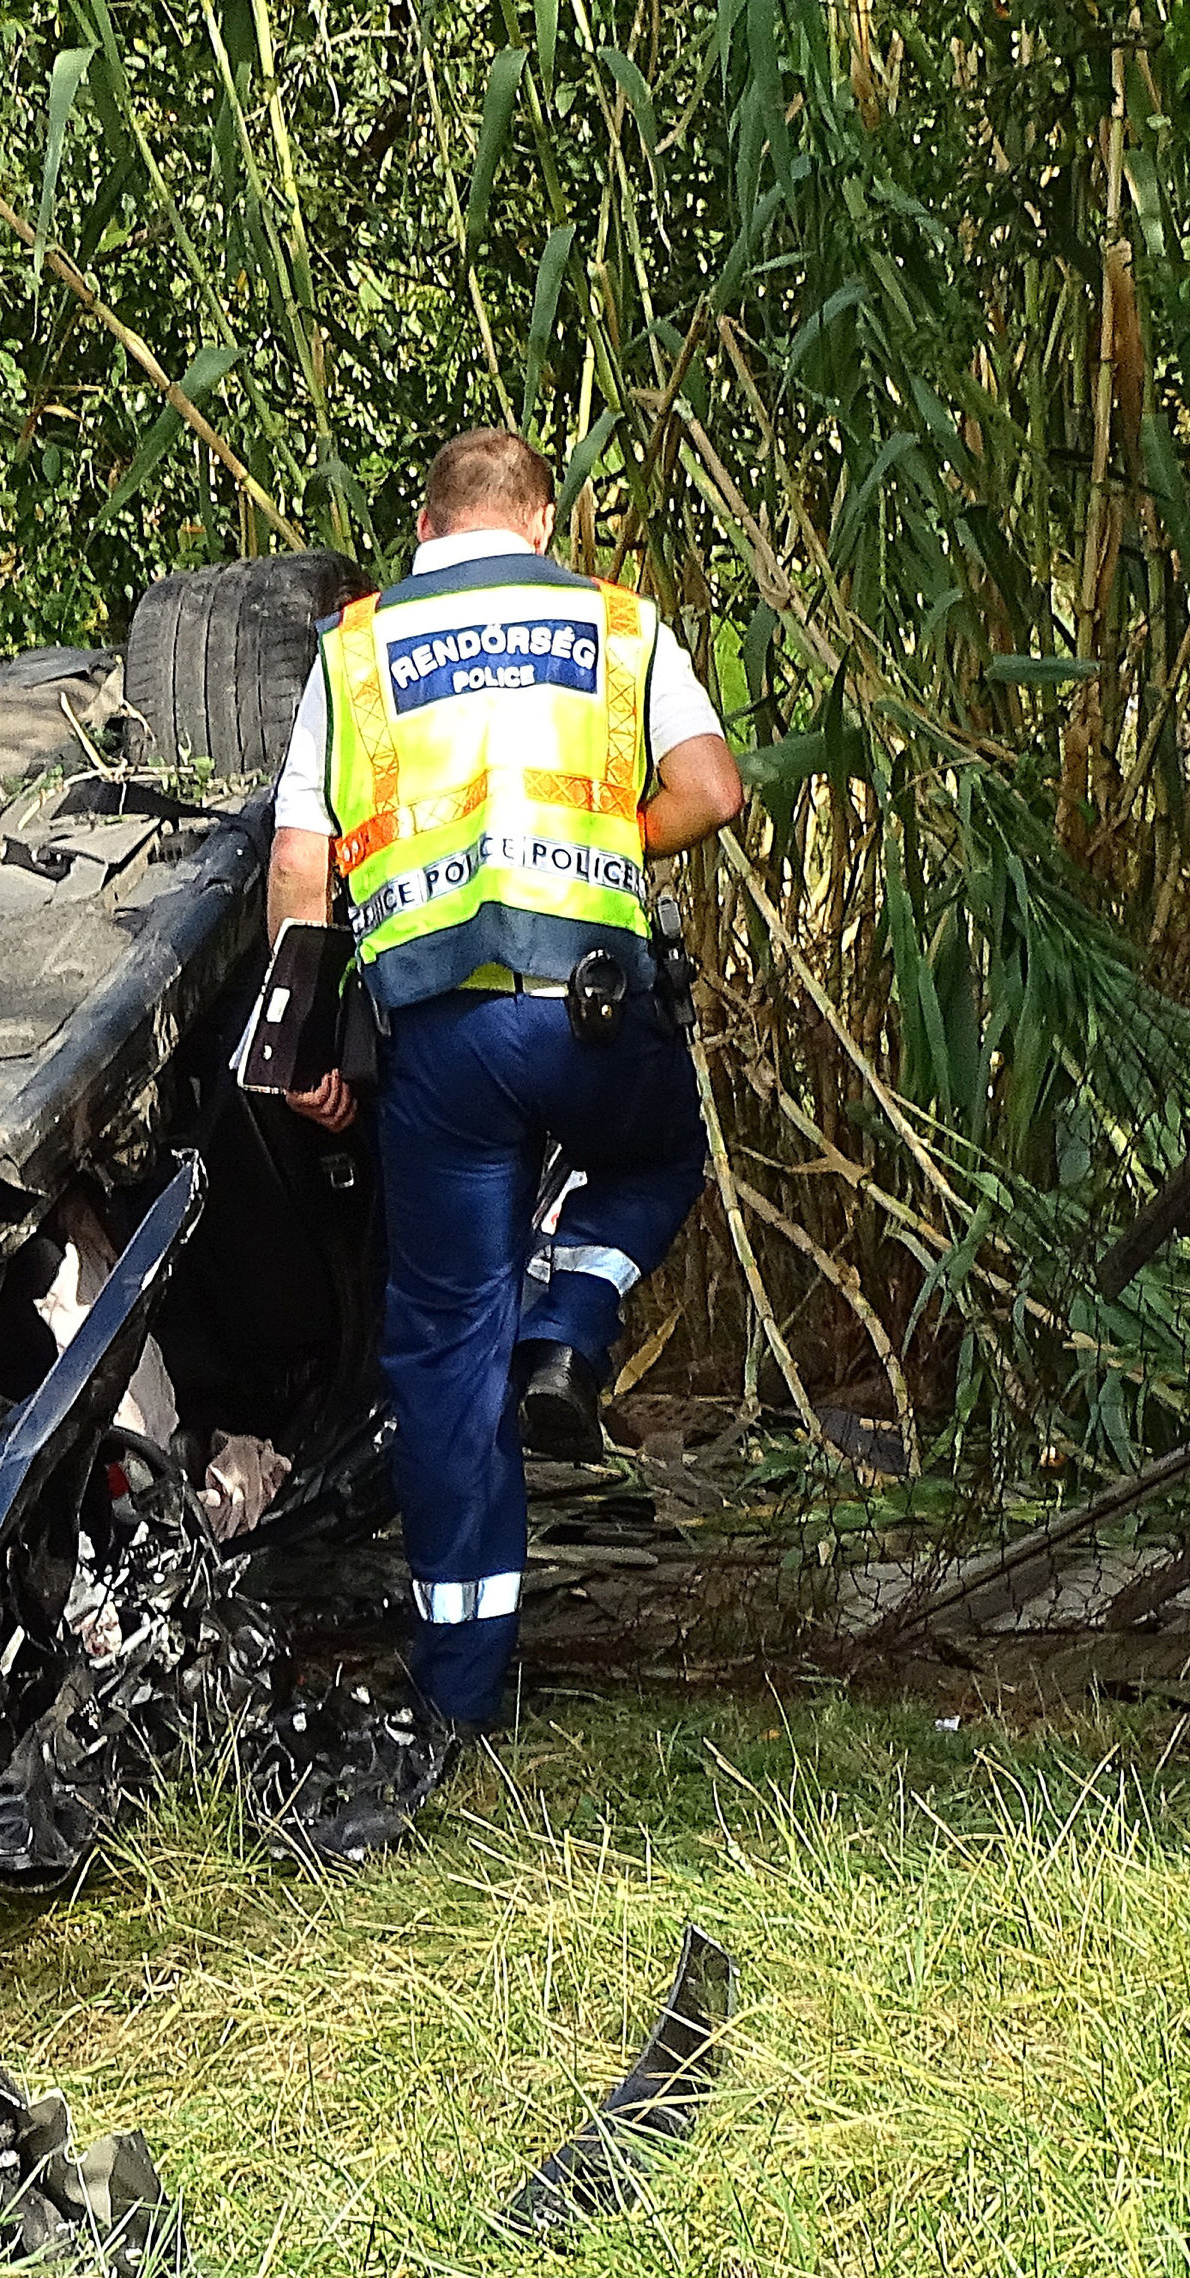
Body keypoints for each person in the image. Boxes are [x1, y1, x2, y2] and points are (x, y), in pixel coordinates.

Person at [267, 427, 743, 1733]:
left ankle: (463, 1690)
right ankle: (570, 1323)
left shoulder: (357, 650)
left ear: (426, 530)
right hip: (591, 1021)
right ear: (538, 524)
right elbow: (713, 790)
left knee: (442, 1355)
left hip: (441, 1050)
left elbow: (301, 869)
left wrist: (301, 1045)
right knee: (656, 1156)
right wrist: (609, 838)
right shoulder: (617, 626)